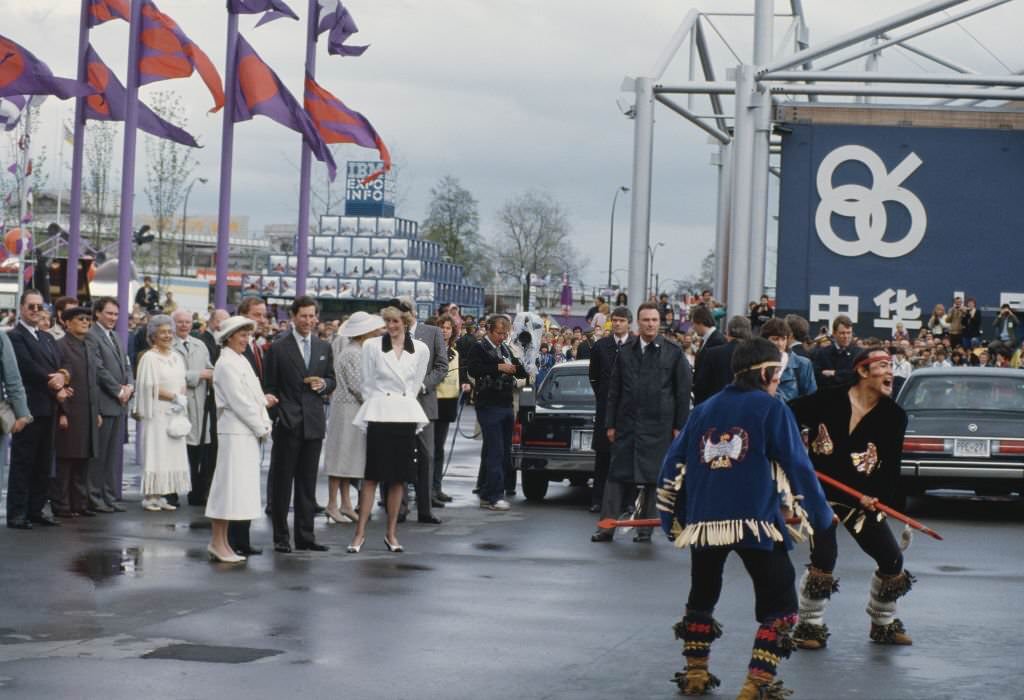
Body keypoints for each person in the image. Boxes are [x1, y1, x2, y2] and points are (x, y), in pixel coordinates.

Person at [656, 337, 834, 698]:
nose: (778, 381)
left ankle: (694, 673)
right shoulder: (771, 408)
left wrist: (672, 519)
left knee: (702, 595)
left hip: (705, 525)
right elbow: (797, 465)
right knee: (781, 604)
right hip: (755, 521)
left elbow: (672, 468)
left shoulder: (704, 409)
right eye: (778, 374)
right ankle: (757, 683)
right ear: (767, 372)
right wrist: (820, 514)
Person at [788, 348, 915, 650]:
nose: (890, 373)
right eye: (883, 366)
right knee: (824, 558)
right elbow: (785, 415)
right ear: (862, 371)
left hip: (861, 499)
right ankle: (809, 626)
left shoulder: (894, 416)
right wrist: (794, 455)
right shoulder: (827, 399)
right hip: (822, 495)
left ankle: (883, 623)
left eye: (892, 367)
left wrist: (878, 496)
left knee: (891, 558)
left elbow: (891, 466)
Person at [598, 302, 691, 542]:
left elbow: (682, 392)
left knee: (652, 479)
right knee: (616, 476)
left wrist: (680, 426)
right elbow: (614, 391)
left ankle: (644, 529)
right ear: (638, 322)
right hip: (626, 425)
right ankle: (606, 527)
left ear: (659, 323)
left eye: (654, 320)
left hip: (659, 427)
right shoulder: (626, 350)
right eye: (646, 320)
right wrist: (610, 424)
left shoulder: (673, 351)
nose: (650, 324)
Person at [349, 305, 430, 553]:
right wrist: (380, 403)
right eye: (387, 322)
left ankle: (391, 534)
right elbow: (366, 382)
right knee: (372, 476)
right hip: (379, 413)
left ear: (405, 322)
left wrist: (403, 402)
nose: (391, 326)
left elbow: (416, 385)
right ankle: (359, 534)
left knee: (399, 478)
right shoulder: (372, 346)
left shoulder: (420, 349)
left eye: (395, 322)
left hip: (404, 415)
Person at [263, 296, 336, 553]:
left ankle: (306, 536)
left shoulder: (323, 347)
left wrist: (324, 385)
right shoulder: (279, 347)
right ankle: (281, 537)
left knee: (307, 482)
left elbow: (331, 379)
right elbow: (269, 387)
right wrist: (279, 417)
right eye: (303, 316)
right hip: (288, 422)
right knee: (283, 483)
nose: (308, 321)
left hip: (314, 422)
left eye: (312, 316)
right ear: (293, 317)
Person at [204, 316, 274, 564]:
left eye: (248, 335)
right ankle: (217, 541)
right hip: (235, 432)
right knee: (227, 488)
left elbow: (254, 396)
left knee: (235, 489)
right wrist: (261, 426)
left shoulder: (240, 360)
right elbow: (239, 402)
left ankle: (221, 542)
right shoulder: (226, 364)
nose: (247, 340)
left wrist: (263, 420)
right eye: (242, 335)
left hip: (245, 432)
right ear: (229, 336)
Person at [7, 289, 66, 529]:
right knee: (23, 462)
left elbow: (60, 363)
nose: (35, 311)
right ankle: (17, 512)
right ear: (21, 308)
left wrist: (62, 376)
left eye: (39, 307)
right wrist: (54, 381)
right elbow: (27, 366)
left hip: (49, 406)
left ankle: (36, 508)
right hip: (28, 407)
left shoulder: (47, 337)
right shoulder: (14, 336)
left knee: (43, 462)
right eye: (30, 306)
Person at [322, 311, 384, 524]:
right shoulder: (354, 353)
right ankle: (333, 503)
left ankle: (345, 503)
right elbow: (359, 386)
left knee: (347, 458)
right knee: (341, 457)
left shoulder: (354, 350)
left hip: (349, 409)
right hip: (349, 410)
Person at [229, 297, 277, 556]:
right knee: (237, 484)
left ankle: (242, 538)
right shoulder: (238, 349)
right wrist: (260, 422)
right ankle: (234, 538)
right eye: (257, 315)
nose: (262, 320)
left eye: (263, 315)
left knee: (247, 483)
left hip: (253, 421)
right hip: (239, 426)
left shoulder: (256, 347)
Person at [466, 314, 527, 511]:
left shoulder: (505, 348)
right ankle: (494, 496)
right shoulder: (479, 347)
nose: (502, 337)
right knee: (495, 451)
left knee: (501, 451)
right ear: (490, 330)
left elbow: (520, 371)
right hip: (489, 405)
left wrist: (523, 366)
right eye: (499, 333)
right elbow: (473, 369)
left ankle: (486, 492)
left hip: (506, 404)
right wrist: (497, 367)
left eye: (505, 333)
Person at [135, 314, 191, 511]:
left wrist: (180, 399)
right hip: (157, 413)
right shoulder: (149, 358)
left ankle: (163, 493)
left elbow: (182, 381)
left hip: (174, 412)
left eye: (170, 332)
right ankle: (151, 495)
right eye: (163, 332)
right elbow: (149, 387)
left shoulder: (176, 356)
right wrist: (174, 397)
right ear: (153, 336)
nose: (167, 335)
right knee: (156, 452)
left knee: (170, 454)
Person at [50, 307, 102, 518]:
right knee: (66, 460)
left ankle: (79, 504)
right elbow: (58, 381)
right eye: (80, 319)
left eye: (88, 319)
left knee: (83, 460)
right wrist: (62, 412)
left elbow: (93, 382)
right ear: (67, 323)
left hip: (87, 411)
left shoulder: (89, 345)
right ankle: (62, 505)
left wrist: (96, 412)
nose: (85, 322)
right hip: (70, 411)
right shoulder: (61, 346)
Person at [401, 296, 448, 524]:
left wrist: (423, 384)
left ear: (412, 312)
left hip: (425, 403)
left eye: (405, 312)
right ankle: (399, 507)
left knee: (427, 456)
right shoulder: (390, 335)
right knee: (399, 454)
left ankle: (425, 508)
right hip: (398, 405)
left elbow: (441, 366)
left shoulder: (432, 332)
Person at [85, 297, 133, 512]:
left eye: (116, 314)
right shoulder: (91, 336)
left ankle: (109, 496)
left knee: (112, 456)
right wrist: (118, 390)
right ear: (97, 313)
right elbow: (98, 369)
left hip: (119, 404)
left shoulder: (116, 336)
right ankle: (94, 498)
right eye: (109, 313)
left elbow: (127, 365)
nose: (113, 318)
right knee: (99, 456)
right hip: (105, 404)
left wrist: (130, 386)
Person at [588, 306, 632, 523]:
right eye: (614, 320)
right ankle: (598, 499)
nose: (617, 323)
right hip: (605, 409)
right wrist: (604, 397)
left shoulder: (635, 346)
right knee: (603, 456)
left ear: (628, 323)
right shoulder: (600, 346)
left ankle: (628, 502)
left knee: (626, 457)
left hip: (629, 411)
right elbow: (593, 377)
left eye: (621, 320)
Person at [171, 309, 214, 507]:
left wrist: (209, 373)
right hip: (177, 405)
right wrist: (198, 375)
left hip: (200, 408)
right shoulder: (167, 346)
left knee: (199, 452)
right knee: (176, 450)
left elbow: (211, 369)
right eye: (180, 322)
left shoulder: (200, 345)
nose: (184, 325)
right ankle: (170, 492)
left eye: (187, 322)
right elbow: (171, 375)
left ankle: (197, 493)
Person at [431, 313, 469, 504]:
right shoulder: (431, 349)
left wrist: (464, 383)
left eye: (448, 328)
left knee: (440, 448)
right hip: (432, 401)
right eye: (442, 327)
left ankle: (437, 487)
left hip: (448, 402)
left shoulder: (455, 351)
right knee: (431, 448)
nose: (445, 331)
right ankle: (428, 488)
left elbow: (458, 374)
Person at [693, 315, 751, 405]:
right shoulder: (755, 355)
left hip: (717, 406)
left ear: (728, 332)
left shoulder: (713, 353)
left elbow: (701, 386)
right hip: (746, 407)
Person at [760, 318, 816, 402]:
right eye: (775, 339)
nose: (780, 343)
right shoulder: (757, 363)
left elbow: (811, 400)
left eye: (783, 339)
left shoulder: (802, 364)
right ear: (765, 340)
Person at [812, 314, 859, 390]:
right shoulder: (822, 353)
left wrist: (834, 373)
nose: (846, 336)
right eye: (842, 333)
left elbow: (857, 376)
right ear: (834, 333)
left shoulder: (858, 353)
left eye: (849, 333)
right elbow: (816, 376)